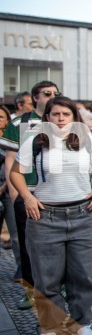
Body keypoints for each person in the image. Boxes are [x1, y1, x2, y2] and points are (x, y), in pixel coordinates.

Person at [10, 96, 92, 335]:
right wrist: (28, 197)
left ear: (74, 117)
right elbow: (15, 173)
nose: (61, 118)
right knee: (46, 277)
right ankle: (49, 329)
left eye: (66, 114)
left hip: (84, 215)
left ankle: (80, 324)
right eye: (55, 114)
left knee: (82, 276)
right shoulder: (35, 141)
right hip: (45, 218)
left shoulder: (85, 139)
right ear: (48, 117)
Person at [1, 80, 61, 310]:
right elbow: (10, 160)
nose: (52, 96)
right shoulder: (19, 122)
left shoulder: (63, 121)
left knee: (56, 244)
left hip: (56, 193)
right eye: (47, 93)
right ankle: (31, 290)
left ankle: (58, 286)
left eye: (56, 93)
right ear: (35, 97)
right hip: (28, 191)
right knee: (28, 244)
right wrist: (18, 194)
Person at [0, 106, 20, 256]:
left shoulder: (12, 139)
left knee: (16, 233)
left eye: (1, 117)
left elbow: (14, 165)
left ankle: (22, 269)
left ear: (7, 120)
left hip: (9, 188)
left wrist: (6, 185)